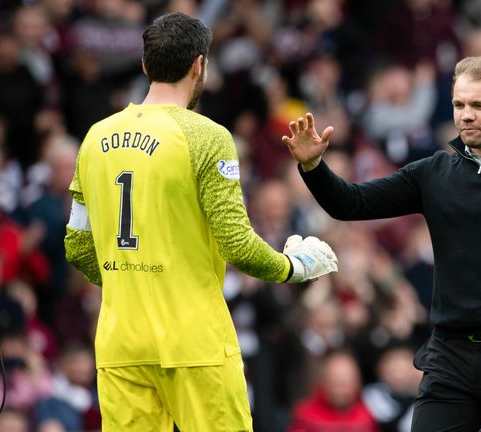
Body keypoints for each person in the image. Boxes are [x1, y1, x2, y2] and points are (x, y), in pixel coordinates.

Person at [282, 55, 481, 431]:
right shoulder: (434, 172)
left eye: (479, 105)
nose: (466, 115)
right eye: (459, 104)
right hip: (450, 354)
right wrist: (314, 167)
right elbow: (350, 203)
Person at [63, 12, 338, 431]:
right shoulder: (207, 136)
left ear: (144, 64)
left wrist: (137, 281)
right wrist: (294, 266)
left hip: (121, 344)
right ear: (199, 65)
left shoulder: (95, 138)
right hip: (194, 342)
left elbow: (78, 247)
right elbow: (236, 243)